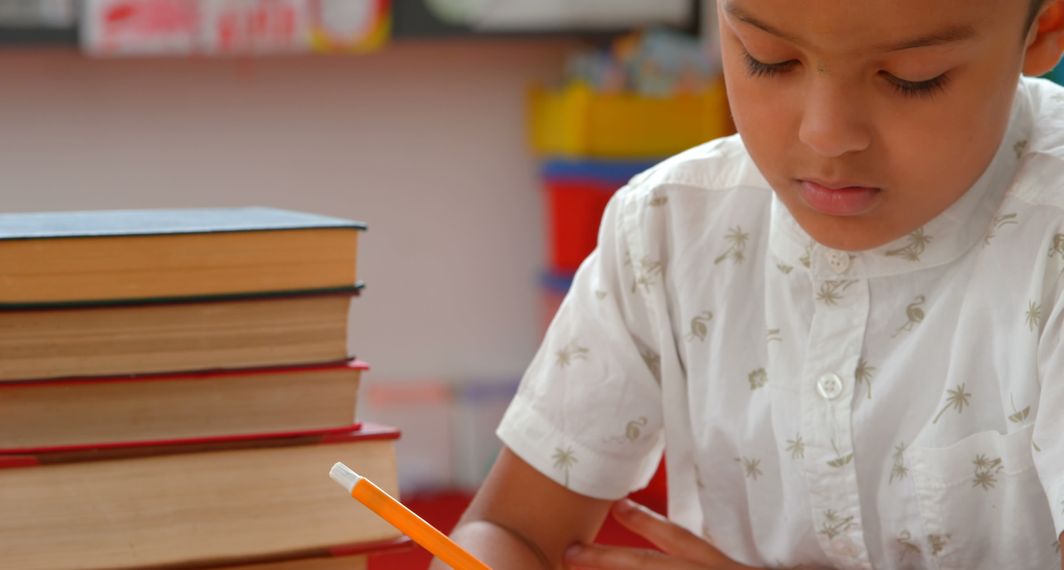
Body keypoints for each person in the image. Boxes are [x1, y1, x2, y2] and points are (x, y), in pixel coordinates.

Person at [439, 0, 1064, 568]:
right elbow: (508, 529)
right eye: (769, 59)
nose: (826, 133)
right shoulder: (668, 227)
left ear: (1042, 29)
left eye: (913, 76)